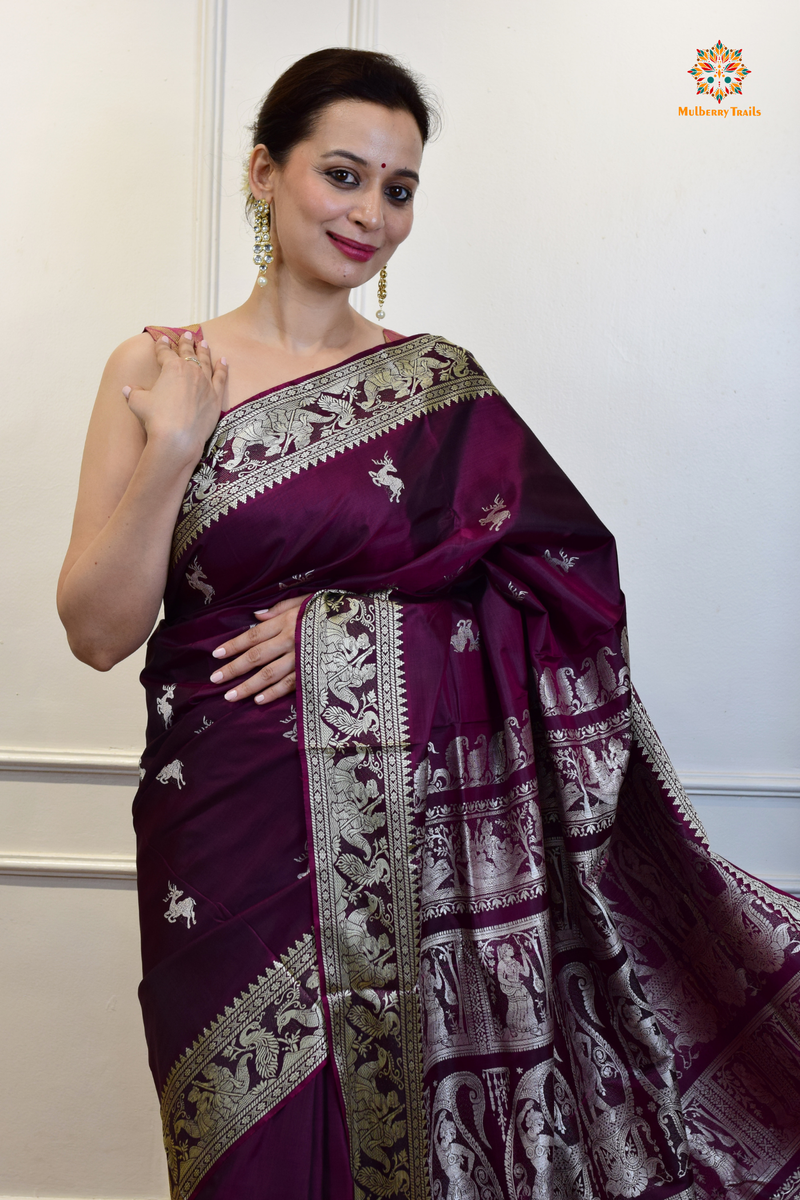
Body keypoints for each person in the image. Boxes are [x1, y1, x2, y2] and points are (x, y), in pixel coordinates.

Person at [57, 48, 800, 1200]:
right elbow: (99, 631)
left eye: (396, 189)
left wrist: (350, 632)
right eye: (341, 175)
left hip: (414, 850)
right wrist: (170, 447)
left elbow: (567, 590)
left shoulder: (437, 386)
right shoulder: (155, 369)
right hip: (220, 831)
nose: (369, 215)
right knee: (236, 1152)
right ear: (263, 171)